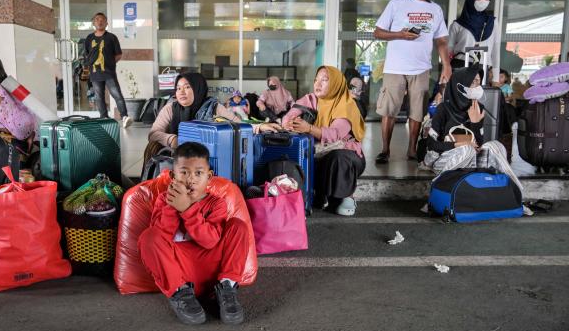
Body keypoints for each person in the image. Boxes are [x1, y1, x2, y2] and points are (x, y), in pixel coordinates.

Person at [138, 142, 250, 325]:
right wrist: (174, 206)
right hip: (179, 274)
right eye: (184, 172)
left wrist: (188, 209)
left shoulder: (216, 204)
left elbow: (210, 242)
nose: (191, 179)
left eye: (198, 173)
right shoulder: (163, 200)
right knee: (148, 237)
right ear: (173, 176)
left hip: (212, 272)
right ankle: (180, 295)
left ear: (209, 176)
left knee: (238, 226)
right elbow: (160, 238)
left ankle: (227, 288)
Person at [373, 0, 451, 164]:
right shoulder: (397, 3)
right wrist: (400, 34)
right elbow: (378, 32)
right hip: (395, 68)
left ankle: (412, 150)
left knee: (417, 111)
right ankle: (385, 150)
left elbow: (441, 40)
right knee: (389, 110)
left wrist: (447, 65)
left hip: (421, 68)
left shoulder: (436, 9)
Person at [421, 64, 523, 192]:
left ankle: (514, 193)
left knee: (495, 146)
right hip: (444, 159)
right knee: (467, 150)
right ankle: (438, 189)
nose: (477, 86)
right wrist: (459, 144)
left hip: (470, 160)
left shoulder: (477, 107)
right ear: (459, 84)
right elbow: (431, 144)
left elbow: (479, 145)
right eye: (473, 81)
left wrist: (475, 123)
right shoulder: (444, 109)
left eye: (479, 82)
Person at [283, 66, 366, 216]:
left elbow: (335, 134)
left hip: (347, 157)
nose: (318, 84)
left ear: (335, 83)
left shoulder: (346, 104)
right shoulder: (311, 99)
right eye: (316, 80)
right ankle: (320, 194)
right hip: (320, 152)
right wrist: (289, 122)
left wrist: (308, 128)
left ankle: (346, 197)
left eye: (324, 80)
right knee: (301, 152)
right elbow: (289, 115)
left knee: (338, 157)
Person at [146, 73, 279, 163]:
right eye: (178, 88)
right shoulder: (170, 109)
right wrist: (173, 140)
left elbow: (238, 125)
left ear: (198, 88)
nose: (181, 92)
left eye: (187, 87)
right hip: (176, 154)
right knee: (152, 147)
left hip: (206, 155)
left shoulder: (213, 107)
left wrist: (259, 127)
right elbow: (154, 134)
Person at [83, 12, 132, 128]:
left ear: (106, 23)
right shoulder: (89, 38)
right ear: (94, 23)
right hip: (95, 73)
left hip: (109, 72)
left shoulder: (111, 37)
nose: (100, 21)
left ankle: (124, 116)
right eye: (97, 19)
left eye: (102, 20)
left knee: (117, 94)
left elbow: (118, 54)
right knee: (99, 96)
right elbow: (87, 55)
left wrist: (109, 63)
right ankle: (104, 118)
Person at [448, 0, 500, 78]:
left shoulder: (492, 22)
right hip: (460, 66)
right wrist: (445, 70)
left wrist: (496, 77)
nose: (484, 1)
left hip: (482, 69)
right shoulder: (457, 24)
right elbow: (448, 50)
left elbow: (496, 50)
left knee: (478, 93)